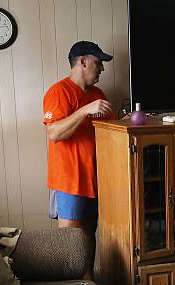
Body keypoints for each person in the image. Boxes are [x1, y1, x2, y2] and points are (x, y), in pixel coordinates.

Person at [43, 41, 116, 269]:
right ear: (82, 61)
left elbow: (112, 131)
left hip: (95, 181)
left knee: (89, 235)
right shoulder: (59, 91)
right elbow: (54, 133)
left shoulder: (98, 94)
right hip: (69, 181)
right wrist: (85, 110)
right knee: (70, 241)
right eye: (98, 62)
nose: (102, 69)